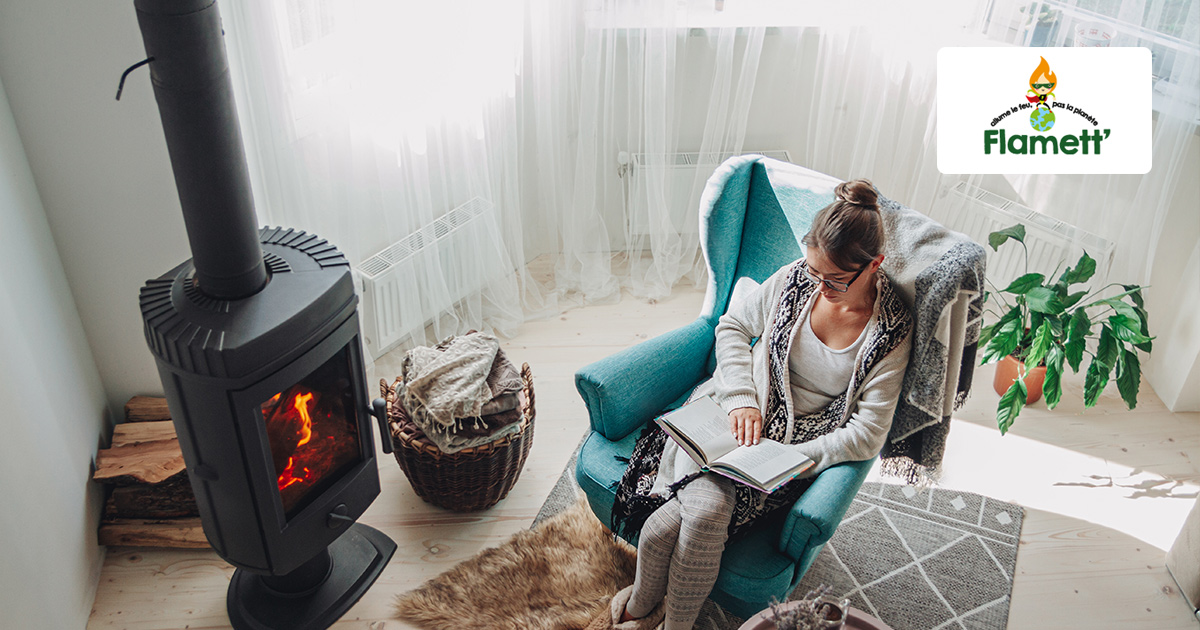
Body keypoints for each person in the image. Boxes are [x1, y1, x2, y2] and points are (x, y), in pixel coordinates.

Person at [593, 179, 914, 630]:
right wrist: (742, 399)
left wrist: (798, 458)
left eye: (836, 281)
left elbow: (868, 433)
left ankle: (652, 615)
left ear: (874, 265)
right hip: (734, 413)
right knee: (684, 521)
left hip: (793, 454)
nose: (819, 287)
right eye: (814, 272)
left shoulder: (890, 332)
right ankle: (650, 612)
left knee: (687, 519)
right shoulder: (797, 278)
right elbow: (732, 327)